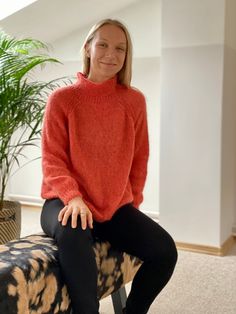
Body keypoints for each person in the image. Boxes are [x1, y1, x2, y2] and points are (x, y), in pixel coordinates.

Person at [40, 18, 177, 314]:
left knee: (165, 252)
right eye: (102, 44)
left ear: (127, 56)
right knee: (74, 239)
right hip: (63, 201)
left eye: (120, 48)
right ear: (88, 48)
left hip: (113, 206)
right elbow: (52, 159)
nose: (110, 54)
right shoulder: (62, 100)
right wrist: (74, 197)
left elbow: (139, 159)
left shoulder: (134, 101)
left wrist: (133, 204)